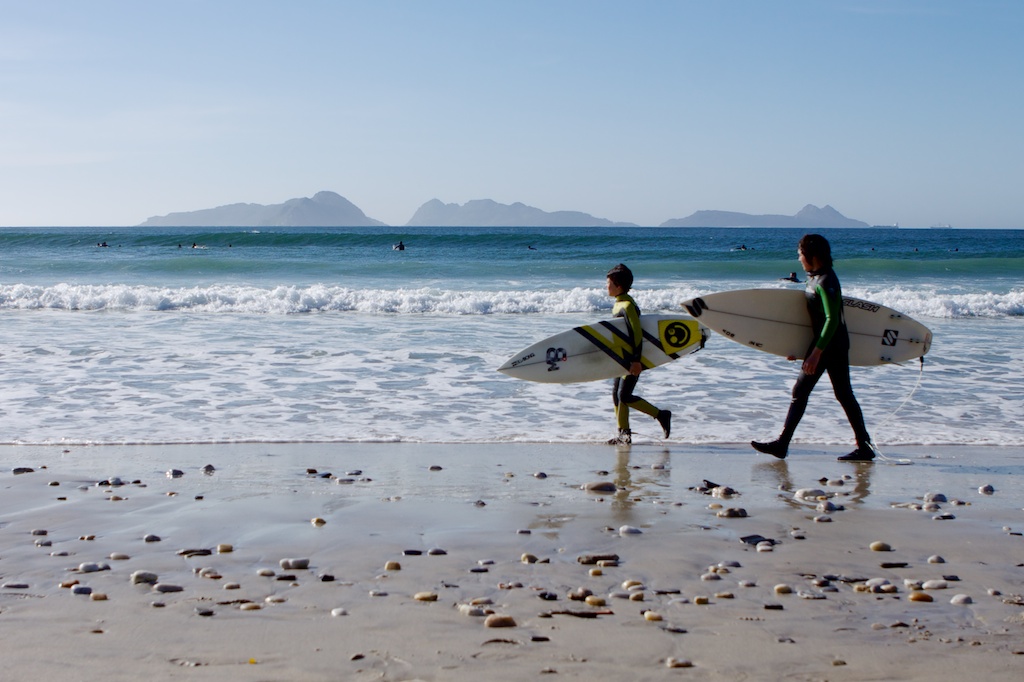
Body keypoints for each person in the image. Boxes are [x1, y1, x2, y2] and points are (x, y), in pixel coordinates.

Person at [751, 234, 875, 461]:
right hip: (824, 344)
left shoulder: (827, 281)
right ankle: (864, 446)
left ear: (813, 256)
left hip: (830, 346)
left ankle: (782, 444)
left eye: (800, 254)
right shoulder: (814, 278)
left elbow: (832, 320)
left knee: (806, 392)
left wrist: (815, 354)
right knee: (842, 395)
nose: (798, 259)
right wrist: (799, 350)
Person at [605, 263, 672, 445]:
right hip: (622, 358)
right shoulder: (620, 303)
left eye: (609, 283)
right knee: (616, 395)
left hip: (633, 358)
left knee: (625, 396)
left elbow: (636, 333)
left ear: (618, 286)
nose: (606, 286)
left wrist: (636, 360)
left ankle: (661, 414)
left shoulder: (627, 306)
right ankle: (624, 435)